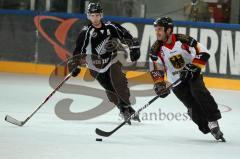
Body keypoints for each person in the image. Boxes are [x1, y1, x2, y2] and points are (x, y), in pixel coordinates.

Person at [149, 17, 225, 141]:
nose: (157, 32)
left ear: (168, 30)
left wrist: (194, 66)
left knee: (198, 92)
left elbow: (203, 51)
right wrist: (159, 83)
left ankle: (213, 121)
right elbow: (155, 67)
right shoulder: (156, 49)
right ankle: (207, 128)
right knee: (192, 106)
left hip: (192, 75)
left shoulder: (183, 40)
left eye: (160, 29)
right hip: (176, 82)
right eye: (156, 29)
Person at [68, 2, 141, 124]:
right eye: (92, 15)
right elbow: (78, 51)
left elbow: (125, 35)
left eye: (97, 15)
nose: (95, 18)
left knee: (119, 82)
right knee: (111, 90)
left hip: (111, 60)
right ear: (88, 16)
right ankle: (123, 108)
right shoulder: (86, 32)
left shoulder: (110, 26)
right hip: (95, 67)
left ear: (101, 15)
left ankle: (126, 106)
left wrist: (134, 47)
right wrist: (73, 65)